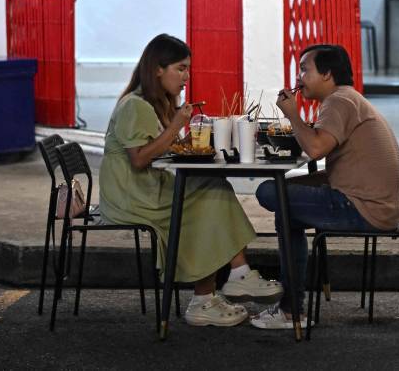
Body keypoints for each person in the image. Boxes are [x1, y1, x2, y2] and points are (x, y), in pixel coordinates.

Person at [100, 34, 282, 327]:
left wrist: (191, 134)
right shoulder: (135, 105)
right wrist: (175, 126)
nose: (187, 76)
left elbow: (164, 148)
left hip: (147, 187)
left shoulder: (155, 103)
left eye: (188, 69)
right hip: (132, 196)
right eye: (181, 68)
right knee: (210, 194)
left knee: (213, 188)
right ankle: (218, 288)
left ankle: (218, 289)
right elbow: (140, 158)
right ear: (158, 69)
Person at [252, 44, 399, 330]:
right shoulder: (346, 99)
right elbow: (334, 169)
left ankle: (290, 310)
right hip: (375, 203)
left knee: (269, 193)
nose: (299, 78)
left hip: (365, 207)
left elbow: (314, 148)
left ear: (327, 74)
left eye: (304, 70)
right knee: (284, 201)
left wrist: (292, 115)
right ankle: (290, 310)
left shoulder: (339, 102)